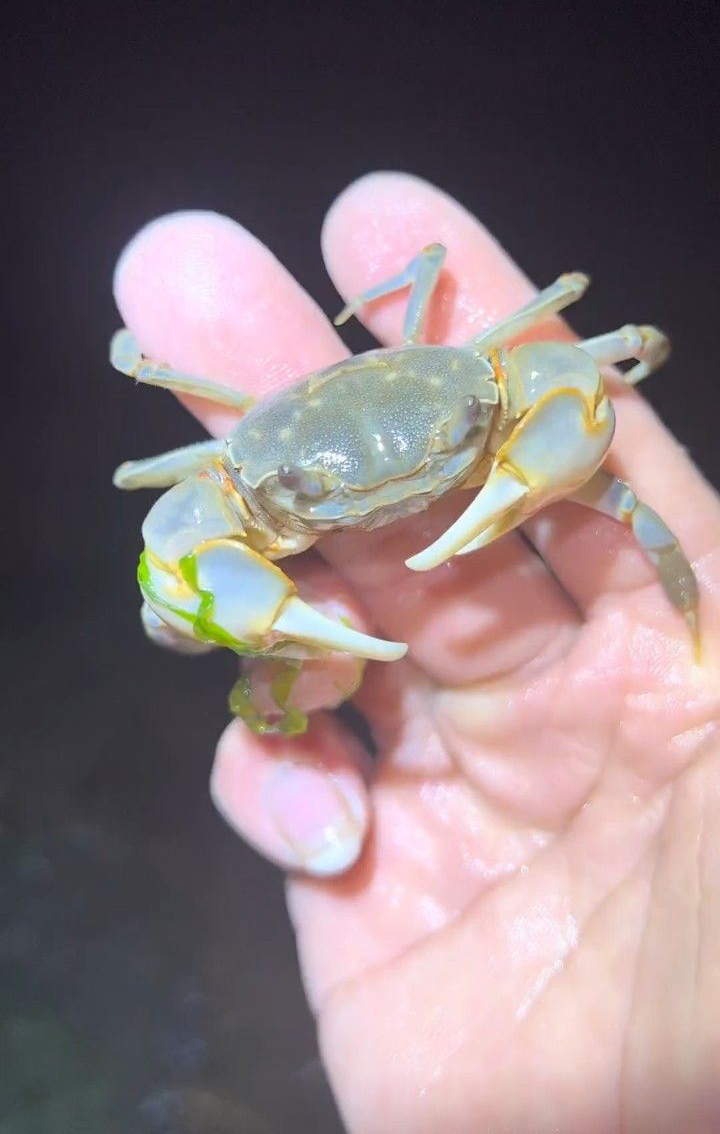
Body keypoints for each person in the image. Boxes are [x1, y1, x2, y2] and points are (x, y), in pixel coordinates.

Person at [114, 172, 720, 1134]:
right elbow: (172, 579)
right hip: (342, 463)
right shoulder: (230, 487)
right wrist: (227, 628)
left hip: (464, 428)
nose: (388, 502)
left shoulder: (498, 378)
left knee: (634, 510)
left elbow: (623, 353)